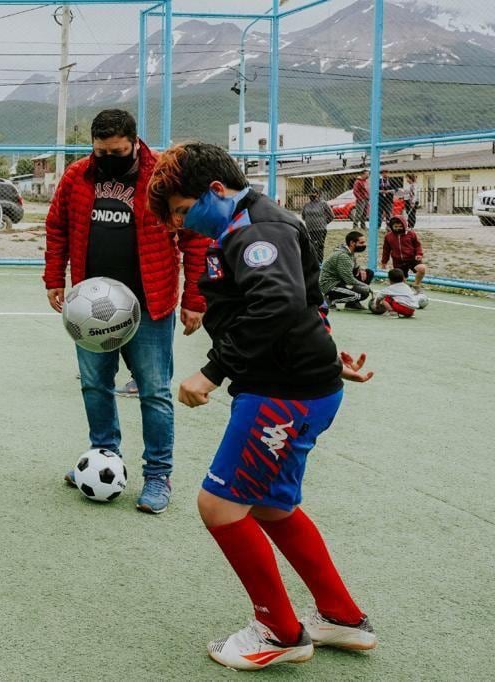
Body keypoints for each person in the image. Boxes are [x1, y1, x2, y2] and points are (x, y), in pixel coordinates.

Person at [148, 141, 377, 671]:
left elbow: (274, 303)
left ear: (216, 191)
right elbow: (304, 300)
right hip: (297, 382)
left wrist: (210, 372)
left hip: (280, 393)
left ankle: (280, 631)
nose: (181, 224)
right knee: (272, 505)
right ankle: (342, 617)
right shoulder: (247, 223)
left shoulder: (257, 230)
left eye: (184, 211)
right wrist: (323, 353)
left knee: (219, 505)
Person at [44, 109, 210, 514]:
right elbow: (57, 227)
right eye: (100, 151)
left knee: (154, 391)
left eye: (116, 151)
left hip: (151, 304)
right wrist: (54, 279)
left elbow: (194, 237)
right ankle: (104, 458)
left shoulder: (164, 177)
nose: (108, 158)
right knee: (94, 385)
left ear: (135, 142)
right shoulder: (78, 176)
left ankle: (158, 474)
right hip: (91, 307)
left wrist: (194, 299)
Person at [319, 231, 373, 310]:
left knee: (369, 273)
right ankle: (329, 299)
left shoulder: (349, 252)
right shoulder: (343, 256)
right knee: (360, 294)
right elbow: (348, 279)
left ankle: (351, 304)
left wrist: (360, 269)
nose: (364, 245)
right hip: (330, 285)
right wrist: (366, 286)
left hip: (340, 281)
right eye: (361, 243)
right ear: (352, 243)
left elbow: (353, 266)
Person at [380, 214, 425, 289]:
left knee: (421, 268)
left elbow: (417, 245)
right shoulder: (388, 236)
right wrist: (384, 262)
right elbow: (386, 250)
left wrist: (419, 254)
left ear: (404, 225)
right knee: (400, 283)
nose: (398, 229)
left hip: (411, 258)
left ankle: (416, 284)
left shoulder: (411, 234)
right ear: (391, 226)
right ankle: (404, 289)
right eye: (396, 227)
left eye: (400, 227)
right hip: (398, 261)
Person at [299, 191, 333, 262]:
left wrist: (324, 223)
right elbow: (303, 216)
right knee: (312, 246)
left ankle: (320, 262)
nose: (311, 195)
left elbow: (332, 216)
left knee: (319, 246)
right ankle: (313, 262)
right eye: (310, 193)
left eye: (314, 193)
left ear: (318, 194)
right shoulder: (307, 205)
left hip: (321, 229)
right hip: (310, 229)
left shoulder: (323, 203)